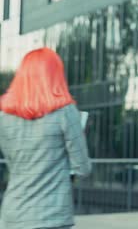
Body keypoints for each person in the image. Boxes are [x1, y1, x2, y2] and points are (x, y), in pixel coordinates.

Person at [0, 47, 92, 229]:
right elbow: (83, 168)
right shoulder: (65, 112)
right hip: (51, 217)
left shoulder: (4, 117)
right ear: (55, 75)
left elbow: (15, 164)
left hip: (13, 215)